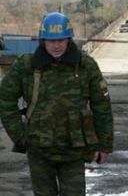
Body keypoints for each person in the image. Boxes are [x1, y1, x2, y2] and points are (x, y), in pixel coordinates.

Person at [0, 12, 114, 196]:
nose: (57, 45)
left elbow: (101, 106)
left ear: (69, 39)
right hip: (39, 148)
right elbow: (4, 98)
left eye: (61, 39)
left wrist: (104, 144)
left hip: (74, 149)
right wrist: (19, 135)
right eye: (51, 40)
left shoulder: (85, 65)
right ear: (42, 40)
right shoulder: (27, 66)